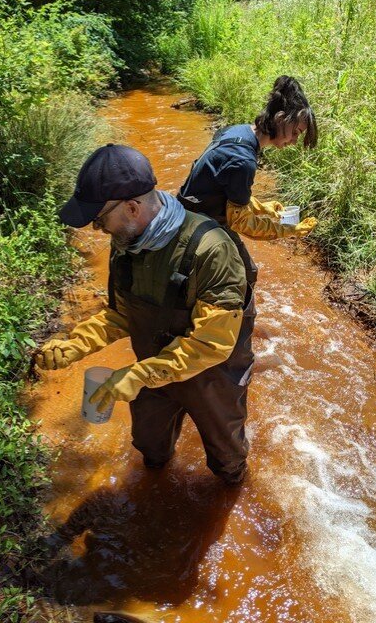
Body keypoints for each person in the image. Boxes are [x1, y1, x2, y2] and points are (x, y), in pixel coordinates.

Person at [35, 144, 254, 485]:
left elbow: (212, 344)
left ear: (133, 208)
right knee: (151, 449)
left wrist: (137, 376)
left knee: (227, 461)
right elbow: (122, 314)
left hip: (213, 374)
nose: (97, 229)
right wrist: (76, 345)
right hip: (151, 366)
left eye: (99, 219)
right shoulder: (125, 244)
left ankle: (232, 481)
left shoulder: (211, 249)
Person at [178, 75, 318, 286]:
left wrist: (262, 207)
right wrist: (290, 230)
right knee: (246, 273)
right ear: (280, 119)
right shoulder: (243, 161)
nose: (294, 141)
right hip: (196, 225)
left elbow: (221, 185)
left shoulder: (238, 131)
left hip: (186, 213)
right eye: (296, 133)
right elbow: (241, 222)